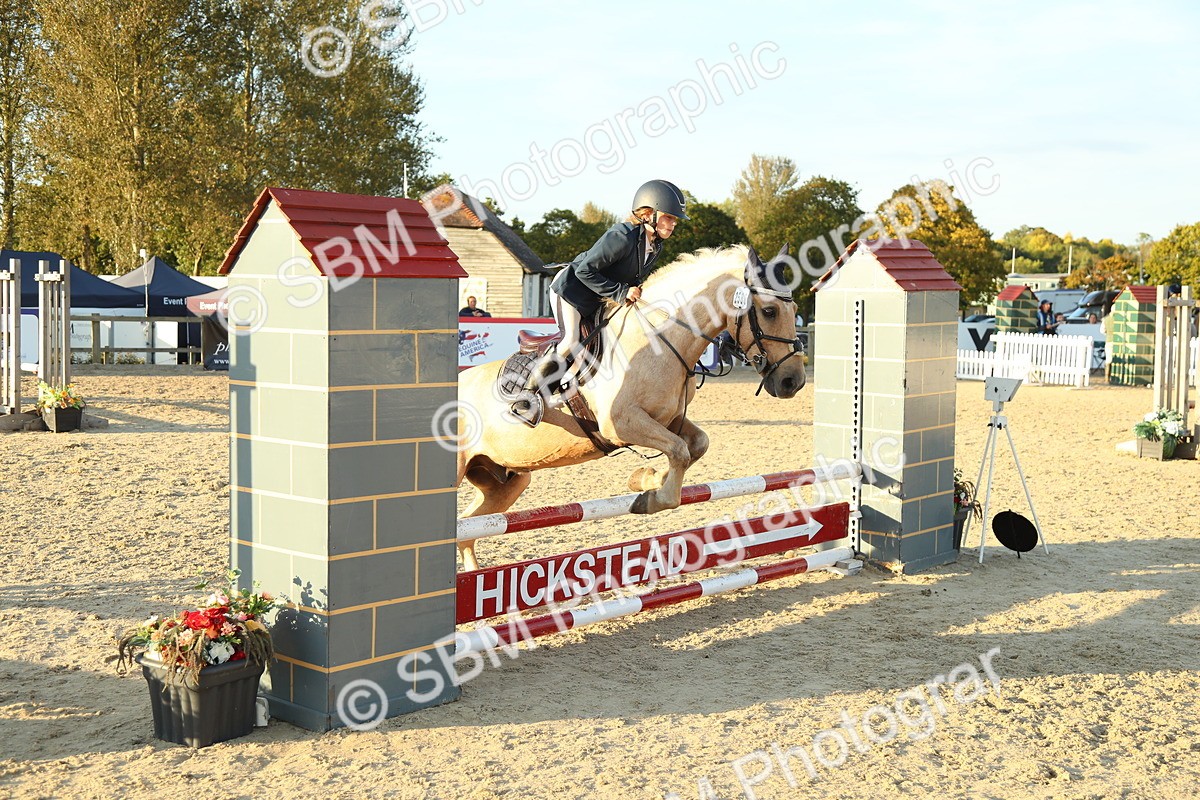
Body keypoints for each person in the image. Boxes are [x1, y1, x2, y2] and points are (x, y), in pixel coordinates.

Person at [512, 179, 688, 424]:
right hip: (571, 290)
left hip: (597, 297)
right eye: (669, 217)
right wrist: (620, 293)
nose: (673, 224)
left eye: (675, 219)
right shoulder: (622, 236)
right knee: (570, 341)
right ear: (649, 214)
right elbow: (585, 271)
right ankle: (526, 398)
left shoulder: (655, 245)